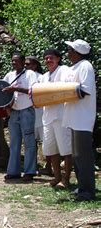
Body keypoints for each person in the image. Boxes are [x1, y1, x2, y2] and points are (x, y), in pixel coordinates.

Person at [62, 39, 96, 201]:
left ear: (76, 52)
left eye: (69, 49)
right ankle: (81, 186)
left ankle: (88, 191)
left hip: (82, 118)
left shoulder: (85, 66)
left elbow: (85, 90)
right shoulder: (73, 68)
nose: (67, 52)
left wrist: (62, 94)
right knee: (76, 155)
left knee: (84, 156)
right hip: (73, 117)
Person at [2, 52, 39, 181]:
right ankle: (13, 171)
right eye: (12, 61)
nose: (13, 63)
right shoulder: (9, 75)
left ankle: (29, 171)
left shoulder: (30, 74)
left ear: (23, 62)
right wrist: (7, 107)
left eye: (16, 61)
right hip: (14, 112)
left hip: (27, 110)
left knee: (29, 142)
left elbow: (33, 91)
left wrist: (16, 90)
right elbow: (4, 93)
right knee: (14, 143)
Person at [39, 49, 72, 187]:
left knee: (66, 150)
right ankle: (57, 177)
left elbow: (67, 87)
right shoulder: (43, 77)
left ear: (58, 59)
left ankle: (66, 179)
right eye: (46, 58)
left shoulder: (64, 70)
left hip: (61, 116)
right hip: (47, 117)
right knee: (51, 149)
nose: (48, 60)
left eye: (51, 58)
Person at [25, 56, 52, 176]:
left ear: (35, 66)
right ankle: (33, 166)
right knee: (31, 142)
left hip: (41, 114)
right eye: (25, 64)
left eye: (28, 64)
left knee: (46, 142)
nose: (26, 66)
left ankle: (49, 166)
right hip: (29, 114)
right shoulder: (23, 77)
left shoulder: (41, 78)